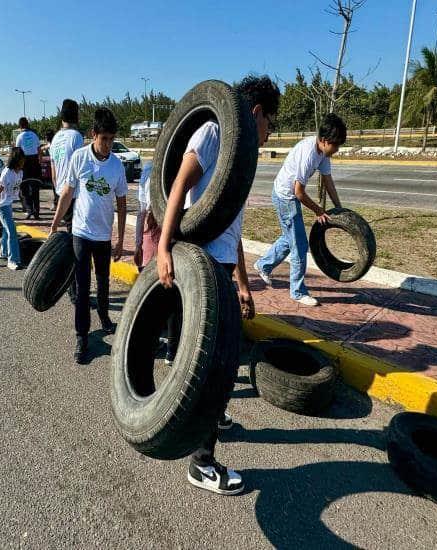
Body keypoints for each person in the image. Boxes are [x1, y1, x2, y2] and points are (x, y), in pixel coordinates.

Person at [157, 75, 280, 496]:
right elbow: (177, 187)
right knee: (216, 365)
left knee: (220, 362)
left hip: (224, 265)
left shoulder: (242, 157)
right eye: (271, 124)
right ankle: (202, 463)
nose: (269, 134)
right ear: (257, 113)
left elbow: (232, 223)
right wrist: (163, 247)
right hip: (202, 266)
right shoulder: (214, 132)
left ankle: (213, 419)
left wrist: (244, 283)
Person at [49, 108, 127, 364]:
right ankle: (81, 336)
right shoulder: (79, 158)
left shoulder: (117, 165)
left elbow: (122, 203)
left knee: (103, 283)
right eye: (104, 139)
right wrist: (55, 223)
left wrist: (120, 239)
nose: (107, 145)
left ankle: (104, 318)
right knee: (83, 289)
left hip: (103, 236)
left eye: (111, 139)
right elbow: (67, 194)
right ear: (94, 135)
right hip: (80, 233)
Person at [254, 113, 347, 307]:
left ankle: (263, 265)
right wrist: (319, 210)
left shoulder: (323, 152)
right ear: (323, 140)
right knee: (300, 246)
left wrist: (339, 207)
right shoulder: (309, 153)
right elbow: (299, 192)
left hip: (288, 195)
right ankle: (297, 291)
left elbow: (327, 180)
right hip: (285, 196)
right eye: (335, 145)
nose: (337, 149)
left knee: (291, 239)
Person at [49, 99, 84, 303]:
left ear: (62, 117)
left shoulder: (55, 139)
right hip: (74, 196)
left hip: (59, 194)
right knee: (76, 244)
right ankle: (75, 291)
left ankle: (73, 289)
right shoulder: (76, 137)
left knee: (71, 242)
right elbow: (79, 167)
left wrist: (58, 191)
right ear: (76, 116)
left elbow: (54, 171)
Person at [0, 147, 25, 270]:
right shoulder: (7, 173)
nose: (23, 162)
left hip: (8, 203)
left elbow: (18, 189)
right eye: (21, 160)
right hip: (1, 205)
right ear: (16, 160)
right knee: (12, 231)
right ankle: (13, 260)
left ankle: (4, 252)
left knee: (6, 230)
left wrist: (23, 204)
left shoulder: (20, 172)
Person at [133, 162, 160, 272]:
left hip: (155, 225)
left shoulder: (148, 168)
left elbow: (141, 213)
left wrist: (138, 244)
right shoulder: (149, 169)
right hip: (159, 225)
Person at [16, 117, 41, 219]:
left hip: (24, 163)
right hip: (34, 162)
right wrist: (39, 162)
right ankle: (36, 212)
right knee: (35, 188)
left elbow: (17, 152)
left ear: (20, 126)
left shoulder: (20, 137)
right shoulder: (34, 135)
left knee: (24, 187)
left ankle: (29, 210)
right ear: (28, 124)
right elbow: (39, 150)